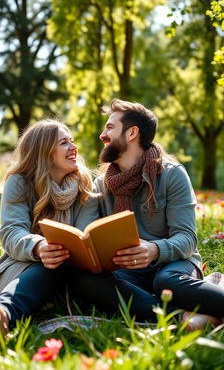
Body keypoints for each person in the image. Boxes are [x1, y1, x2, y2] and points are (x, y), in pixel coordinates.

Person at [71, 98, 224, 330]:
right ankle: (180, 318)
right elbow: (86, 234)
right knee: (85, 281)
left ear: (132, 133)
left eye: (110, 127)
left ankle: (164, 308)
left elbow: (187, 239)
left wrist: (154, 250)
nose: (102, 135)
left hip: (171, 264)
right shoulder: (101, 185)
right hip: (125, 270)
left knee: (166, 282)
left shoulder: (172, 175)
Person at [0, 118, 94, 345]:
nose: (73, 147)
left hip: (75, 271)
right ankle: (1, 317)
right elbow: (11, 232)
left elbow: (85, 235)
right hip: (24, 264)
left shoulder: (84, 186)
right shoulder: (20, 182)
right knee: (48, 265)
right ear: (43, 151)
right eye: (64, 143)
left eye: (72, 141)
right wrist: (39, 247)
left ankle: (167, 312)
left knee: (60, 264)